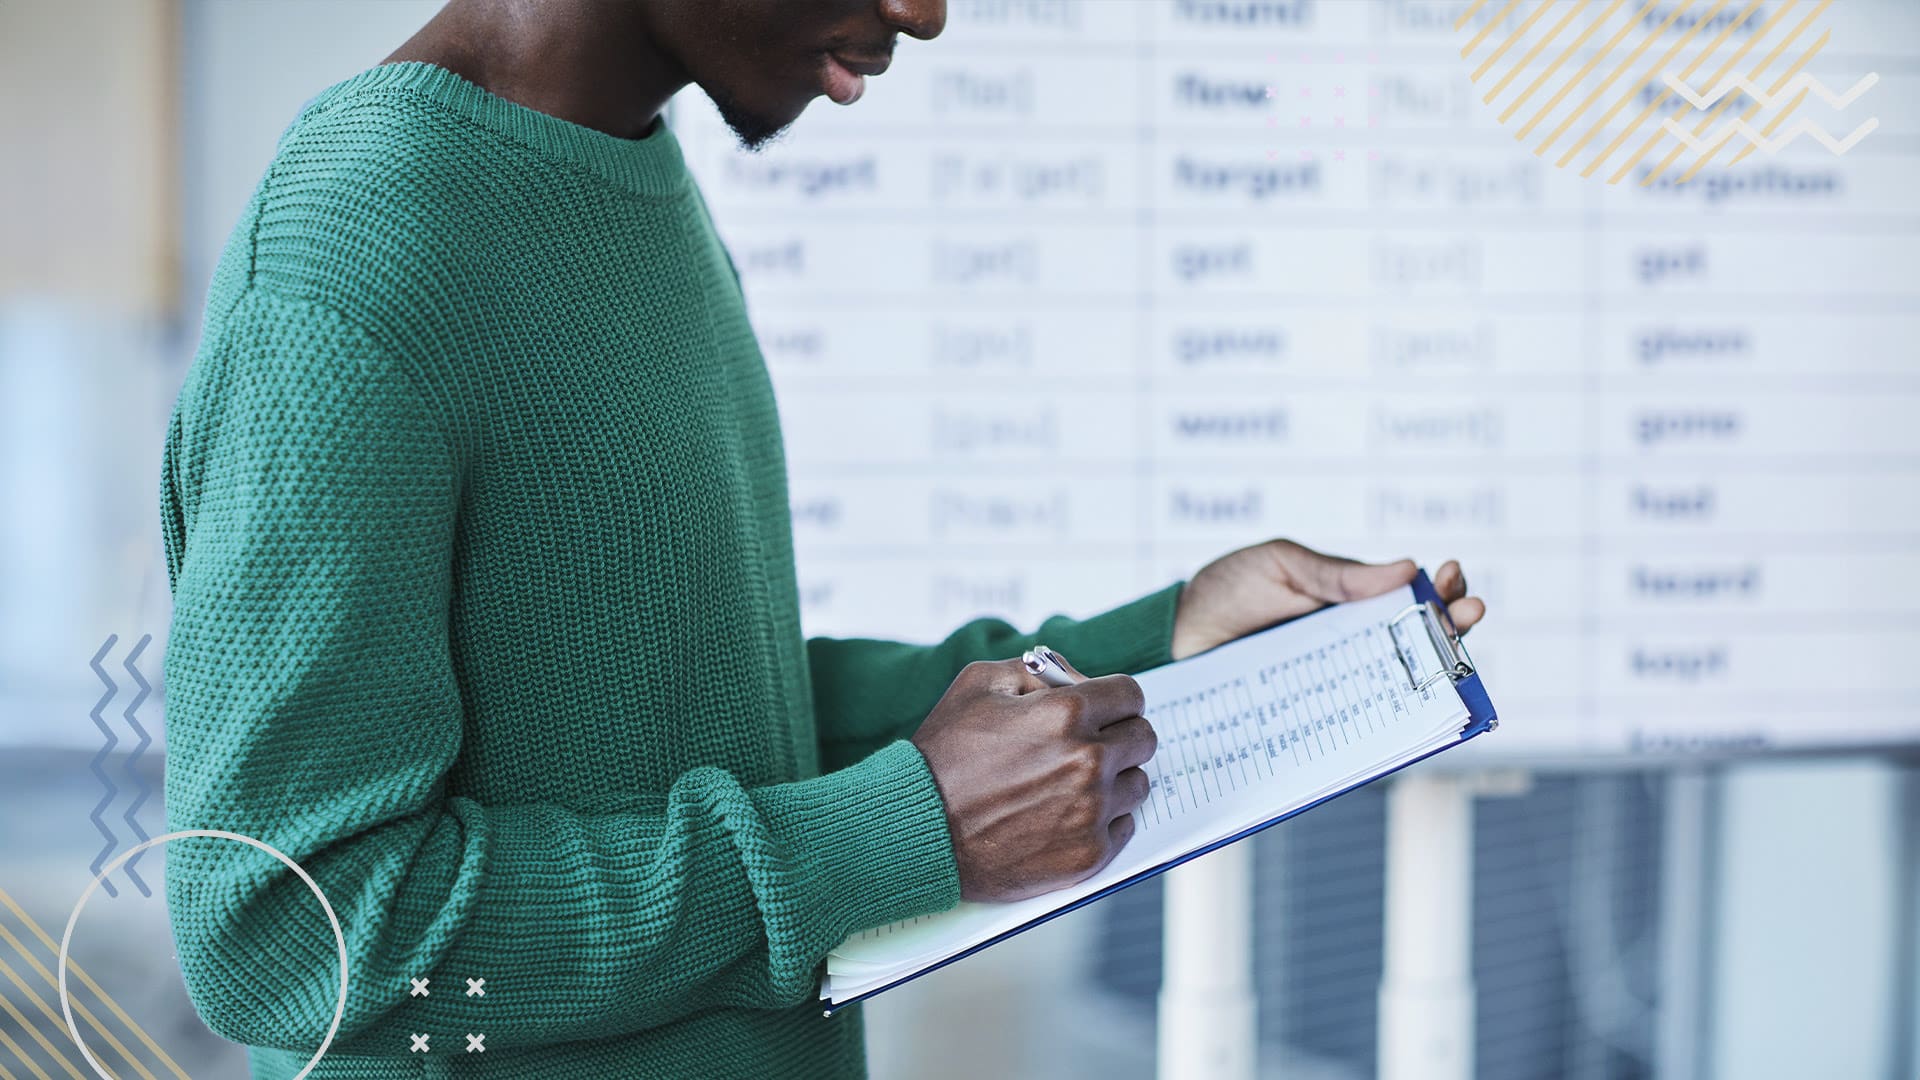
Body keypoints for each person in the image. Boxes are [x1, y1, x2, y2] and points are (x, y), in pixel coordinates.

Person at [157, 1, 1487, 1077]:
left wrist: (1171, 637)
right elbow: (283, 934)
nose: (925, 12)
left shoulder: (625, 170)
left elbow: (685, 706)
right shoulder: (357, 257)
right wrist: (890, 833)